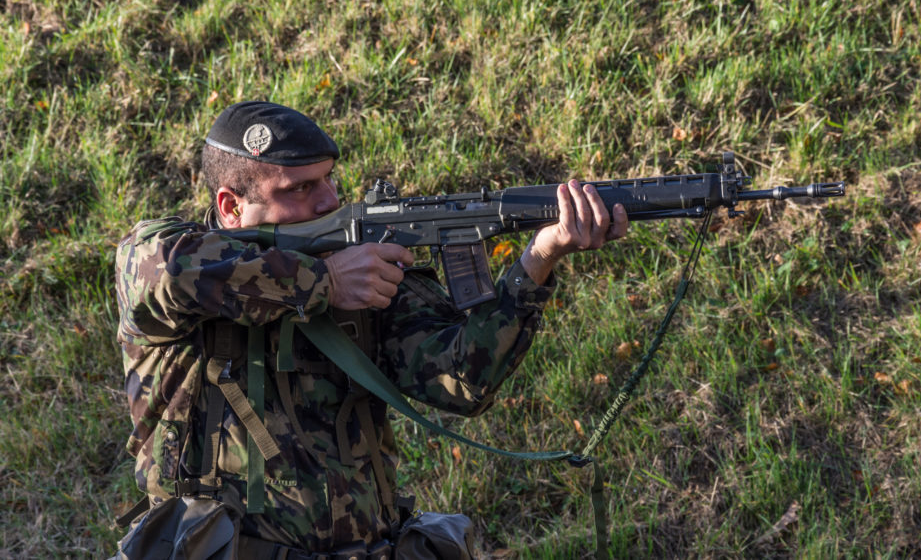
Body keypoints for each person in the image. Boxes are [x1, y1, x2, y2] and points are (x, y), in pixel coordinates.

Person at [114, 101, 628, 558]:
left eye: (329, 179)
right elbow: (169, 273)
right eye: (300, 189)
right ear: (230, 206)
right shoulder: (168, 257)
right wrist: (324, 282)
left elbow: (463, 379)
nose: (328, 201)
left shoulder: (360, 274)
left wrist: (540, 258)